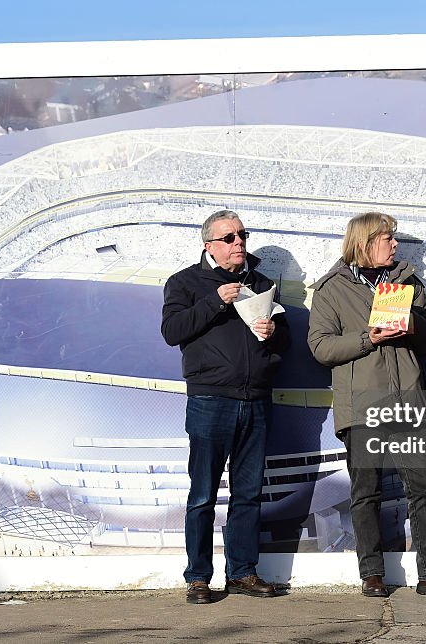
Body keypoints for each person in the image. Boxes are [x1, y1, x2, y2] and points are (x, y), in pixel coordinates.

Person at [308, 211, 426, 600]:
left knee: (425, 488)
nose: (395, 245)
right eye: (388, 238)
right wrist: (370, 337)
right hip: (362, 404)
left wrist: (413, 324)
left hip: (408, 401)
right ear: (365, 243)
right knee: (366, 492)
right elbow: (320, 346)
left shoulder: (406, 280)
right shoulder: (331, 288)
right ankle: (372, 573)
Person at [161, 210, 291, 604]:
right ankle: (198, 577)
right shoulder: (184, 282)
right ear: (209, 246)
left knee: (248, 493)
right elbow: (172, 332)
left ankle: (242, 573)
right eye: (229, 238)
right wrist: (215, 301)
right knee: (202, 494)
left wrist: (272, 333)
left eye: (242, 235)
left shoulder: (262, 282)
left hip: (256, 400)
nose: (239, 243)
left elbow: (284, 343)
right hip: (210, 399)